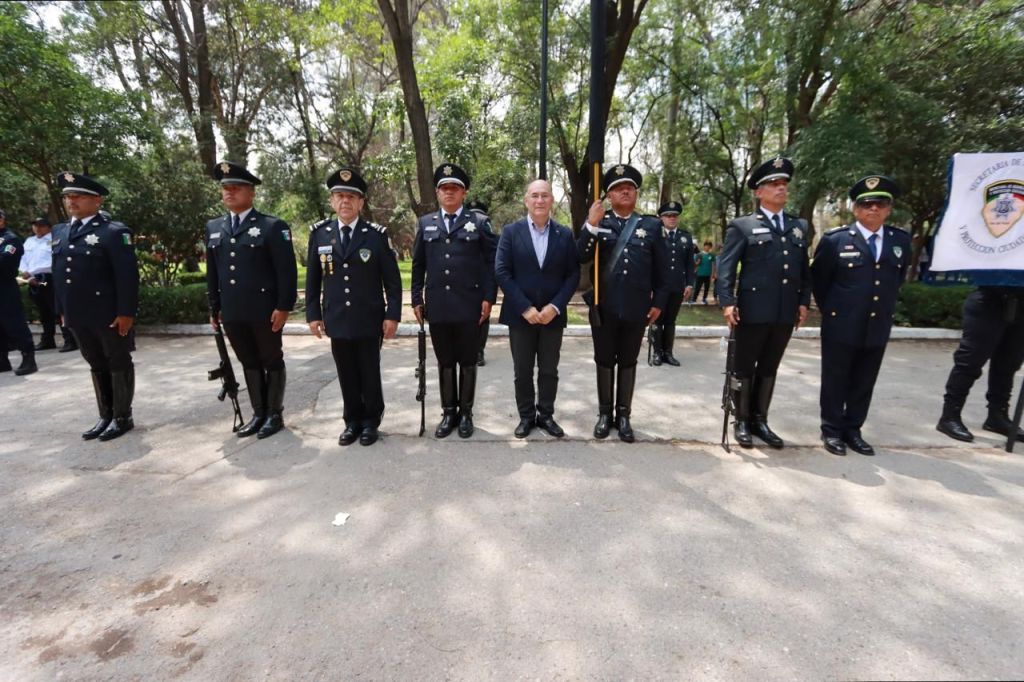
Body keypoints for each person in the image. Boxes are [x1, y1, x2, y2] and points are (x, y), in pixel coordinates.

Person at [811, 175, 911, 456]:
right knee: (836, 378)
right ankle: (831, 430)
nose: (873, 209)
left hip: (878, 323)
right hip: (841, 323)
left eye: (880, 204)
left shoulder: (900, 241)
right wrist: (835, 312)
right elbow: (820, 281)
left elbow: (897, 279)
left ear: (888, 209)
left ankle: (853, 429)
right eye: (867, 204)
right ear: (856, 209)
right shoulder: (836, 240)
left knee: (865, 380)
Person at [716, 156, 811, 449]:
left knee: (770, 367)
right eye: (773, 184)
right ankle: (742, 421)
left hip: (784, 311)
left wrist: (803, 301)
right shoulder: (743, 225)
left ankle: (760, 420)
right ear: (759, 192)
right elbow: (726, 267)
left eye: (784, 184)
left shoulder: (798, 226)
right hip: (752, 309)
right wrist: (727, 301)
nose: (781, 188)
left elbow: (803, 269)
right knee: (744, 367)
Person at [305, 168, 402, 447]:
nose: (345, 201)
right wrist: (313, 315)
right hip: (336, 317)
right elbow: (313, 279)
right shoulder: (320, 235)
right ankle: (352, 421)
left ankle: (371, 421)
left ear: (361, 202)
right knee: (346, 372)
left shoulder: (375, 236)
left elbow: (392, 282)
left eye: (351, 196)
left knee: (369, 371)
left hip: (368, 317)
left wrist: (392, 315)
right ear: (332, 201)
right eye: (339, 196)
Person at [205, 161, 297, 439]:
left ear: (251, 192)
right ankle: (259, 413)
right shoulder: (214, 227)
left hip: (264, 310)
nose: (229, 192)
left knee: (271, 359)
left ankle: (274, 414)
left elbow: (286, 271)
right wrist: (214, 307)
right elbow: (213, 272)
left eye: (236, 188)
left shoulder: (271, 226)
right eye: (225, 188)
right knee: (248, 360)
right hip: (233, 311)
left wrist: (283, 306)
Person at [578, 163, 670, 442]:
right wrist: (591, 224)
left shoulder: (651, 226)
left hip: (636, 308)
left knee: (628, 361)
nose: (625, 191)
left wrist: (659, 302)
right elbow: (580, 255)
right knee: (604, 361)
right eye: (618, 188)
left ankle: (624, 416)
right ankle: (605, 415)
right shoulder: (599, 221)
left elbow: (663, 270)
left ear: (636, 193)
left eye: (630, 187)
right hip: (604, 307)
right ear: (609, 195)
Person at [411, 163, 497, 438]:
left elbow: (491, 263)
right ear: (438, 193)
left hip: (470, 304)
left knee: (468, 360)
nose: (449, 192)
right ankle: (449, 412)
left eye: (454, 188)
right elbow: (418, 265)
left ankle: (466, 414)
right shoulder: (426, 223)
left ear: (464, 192)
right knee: (445, 361)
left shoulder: (479, 223)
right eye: (444, 188)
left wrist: (489, 297)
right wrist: (416, 298)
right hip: (438, 305)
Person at [51, 172, 140, 439]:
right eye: (68, 196)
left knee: (117, 360)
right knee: (95, 361)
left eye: (78, 196)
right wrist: (61, 309)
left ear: (97, 200)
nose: (72, 201)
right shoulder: (60, 231)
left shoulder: (113, 232)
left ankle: (122, 417)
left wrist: (126, 312)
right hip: (77, 312)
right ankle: (105, 414)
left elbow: (127, 276)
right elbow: (59, 273)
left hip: (107, 312)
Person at [495, 179, 580, 438]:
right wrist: (525, 307)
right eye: (534, 195)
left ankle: (546, 415)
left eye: (544, 195)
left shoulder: (564, 234)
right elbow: (502, 271)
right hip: (521, 317)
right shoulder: (511, 232)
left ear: (551, 200)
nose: (540, 200)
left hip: (552, 317)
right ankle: (526, 417)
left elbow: (573, 274)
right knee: (522, 371)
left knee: (549, 370)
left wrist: (555, 306)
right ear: (526, 200)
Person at [936, 273, 1024, 442]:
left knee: (1009, 363)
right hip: (990, 298)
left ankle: (997, 416)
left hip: (1022, 302)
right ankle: (949, 416)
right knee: (970, 361)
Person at [19, 217, 76, 352]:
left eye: (41, 225)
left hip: (48, 278)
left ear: (48, 227)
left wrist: (31, 272)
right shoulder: (29, 241)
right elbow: (23, 259)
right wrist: (29, 275)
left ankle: (70, 340)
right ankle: (47, 340)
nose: (37, 228)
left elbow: (54, 260)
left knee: (57, 309)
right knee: (43, 310)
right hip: (33, 278)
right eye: (35, 225)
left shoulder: (54, 240)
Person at [650, 200, 694, 366]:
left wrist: (689, 284)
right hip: (658, 287)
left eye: (674, 215)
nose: (672, 218)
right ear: (661, 218)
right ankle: (657, 353)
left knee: (670, 321)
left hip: (677, 286)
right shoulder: (655, 236)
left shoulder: (685, 237)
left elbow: (689, 264)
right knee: (657, 320)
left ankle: (668, 353)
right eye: (668, 216)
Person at [0, 210, 37, 376]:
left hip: (5, 288)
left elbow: (5, 260)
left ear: (2, 220)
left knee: (14, 323)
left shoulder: (10, 239)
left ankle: (28, 357)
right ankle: (2, 360)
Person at [466, 198, 494, 367]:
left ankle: (477, 351)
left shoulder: (483, 222)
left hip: (479, 276)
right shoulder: (485, 221)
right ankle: (477, 351)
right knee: (482, 316)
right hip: (479, 277)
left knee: (481, 315)